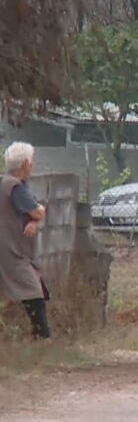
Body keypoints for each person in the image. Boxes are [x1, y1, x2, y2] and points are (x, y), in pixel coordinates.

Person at [1, 142, 50, 339]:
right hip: (12, 250)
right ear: (25, 164)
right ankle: (42, 337)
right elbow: (37, 211)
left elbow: (32, 214)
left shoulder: (7, 182)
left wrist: (34, 221)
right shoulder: (15, 187)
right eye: (31, 161)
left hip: (9, 247)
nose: (33, 164)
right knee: (33, 290)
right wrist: (37, 216)